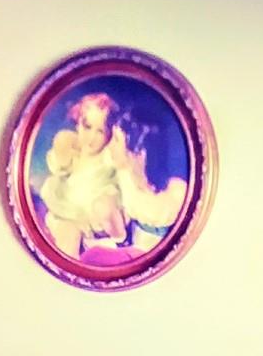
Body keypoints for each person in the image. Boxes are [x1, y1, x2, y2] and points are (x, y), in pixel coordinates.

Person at [38, 90, 188, 261]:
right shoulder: (74, 148)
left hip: (102, 218)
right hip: (71, 208)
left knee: (103, 207)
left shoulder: (111, 158)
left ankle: (119, 241)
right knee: (67, 240)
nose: (91, 137)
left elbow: (130, 187)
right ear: (77, 123)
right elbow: (59, 166)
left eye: (100, 132)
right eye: (87, 127)